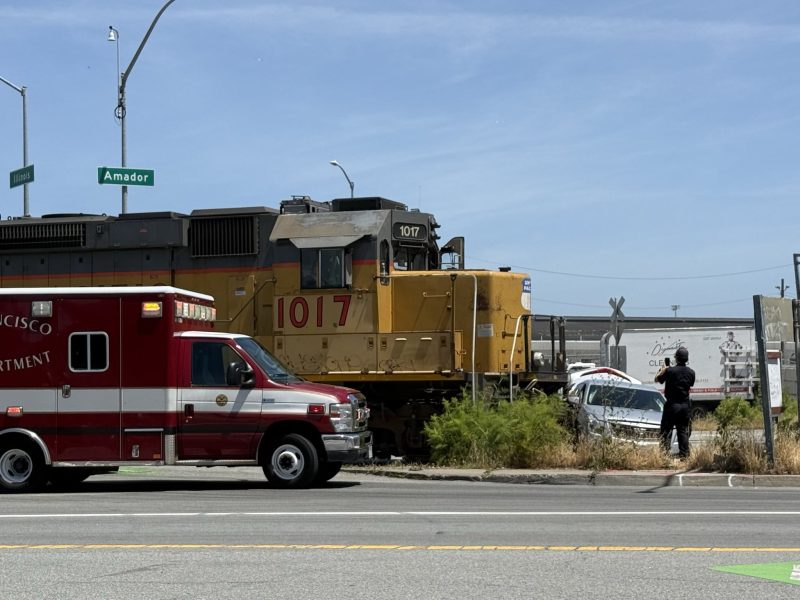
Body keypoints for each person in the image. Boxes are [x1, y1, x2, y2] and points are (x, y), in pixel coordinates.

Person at [655, 346, 695, 459]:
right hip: (685, 406)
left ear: (676, 358)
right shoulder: (691, 372)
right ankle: (684, 455)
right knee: (682, 431)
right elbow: (690, 384)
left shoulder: (670, 371)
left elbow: (658, 379)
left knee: (666, 431)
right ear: (686, 359)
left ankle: (664, 455)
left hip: (672, 405)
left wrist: (663, 369)